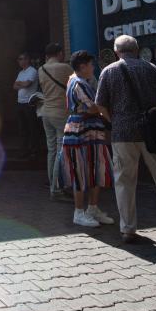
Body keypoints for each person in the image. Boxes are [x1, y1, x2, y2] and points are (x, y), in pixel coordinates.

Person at [95, 34, 156, 245]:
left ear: (117, 51)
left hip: (122, 133)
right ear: (136, 50)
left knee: (124, 182)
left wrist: (114, 120)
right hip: (152, 133)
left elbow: (100, 105)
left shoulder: (108, 71)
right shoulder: (151, 69)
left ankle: (128, 229)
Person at [59, 50, 114, 228]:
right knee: (80, 171)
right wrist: (104, 107)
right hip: (80, 131)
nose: (93, 68)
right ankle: (79, 212)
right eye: (91, 65)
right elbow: (94, 107)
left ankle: (92, 208)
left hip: (91, 131)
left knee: (96, 168)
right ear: (82, 67)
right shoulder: (78, 83)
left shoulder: (77, 80)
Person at [38, 42, 72, 199]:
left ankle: (53, 183)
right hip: (60, 113)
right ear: (59, 53)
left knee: (51, 150)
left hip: (46, 112)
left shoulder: (41, 69)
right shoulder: (65, 68)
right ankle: (56, 189)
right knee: (60, 150)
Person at [13, 52, 42, 159]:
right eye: (19, 59)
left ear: (27, 60)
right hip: (20, 103)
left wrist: (20, 83)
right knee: (22, 128)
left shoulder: (32, 71)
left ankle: (34, 151)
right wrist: (22, 83)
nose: (20, 61)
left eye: (22, 59)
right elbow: (14, 86)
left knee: (32, 127)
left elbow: (27, 84)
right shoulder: (21, 73)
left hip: (29, 103)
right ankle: (24, 150)